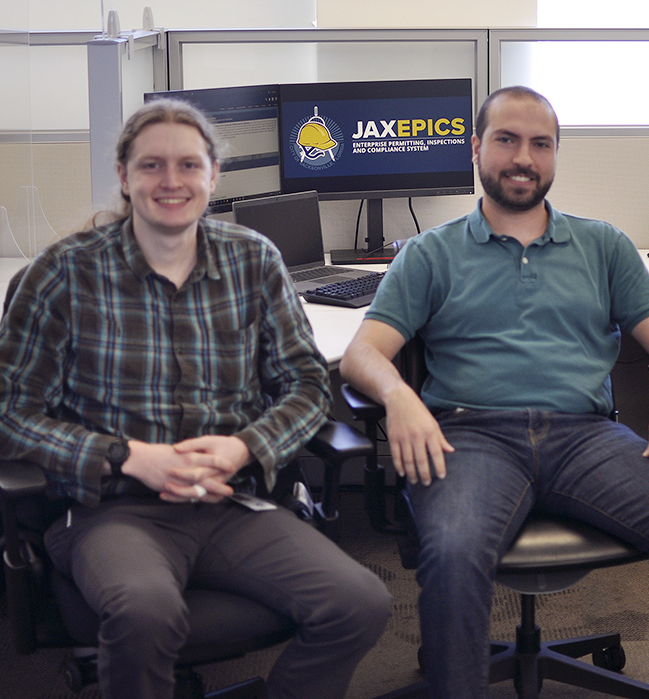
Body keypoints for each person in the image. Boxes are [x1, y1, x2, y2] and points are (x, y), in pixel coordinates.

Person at [339, 85, 649, 699]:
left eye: (540, 144)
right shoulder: (430, 253)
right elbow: (364, 353)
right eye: (506, 140)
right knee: (452, 551)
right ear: (476, 148)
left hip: (587, 438)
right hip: (472, 437)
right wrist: (399, 398)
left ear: (555, 156)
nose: (523, 157)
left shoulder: (602, 244)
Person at [0, 99, 392, 699]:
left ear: (213, 176)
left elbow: (308, 387)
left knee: (359, 603)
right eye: (151, 165)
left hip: (230, 502)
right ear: (125, 176)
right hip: (113, 509)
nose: (171, 181)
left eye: (189, 165)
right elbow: (11, 412)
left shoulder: (253, 262)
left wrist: (243, 448)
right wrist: (124, 456)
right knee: (145, 613)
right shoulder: (64, 273)